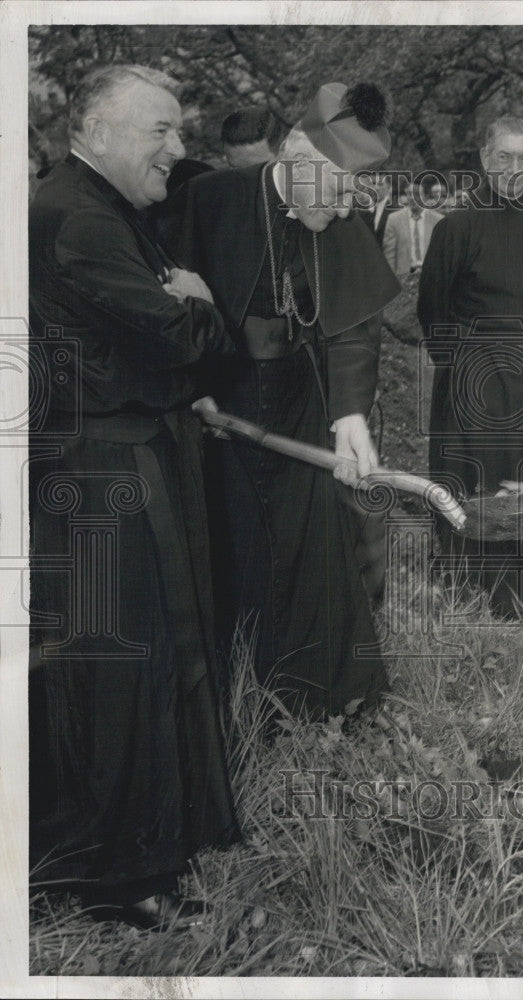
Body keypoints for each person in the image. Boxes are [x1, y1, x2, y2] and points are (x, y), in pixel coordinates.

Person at [28, 65, 239, 930]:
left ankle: (135, 853)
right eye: (162, 129)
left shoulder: (102, 208)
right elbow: (172, 333)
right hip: (99, 477)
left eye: (181, 131)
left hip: (118, 459)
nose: (178, 149)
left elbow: (160, 341)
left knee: (142, 661)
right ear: (99, 129)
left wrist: (181, 327)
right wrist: (200, 306)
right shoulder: (78, 218)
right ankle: (113, 874)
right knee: (121, 671)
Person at [171, 82, 400, 718]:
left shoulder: (337, 212)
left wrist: (350, 411)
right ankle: (243, 699)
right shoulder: (209, 200)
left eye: (352, 191)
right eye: (333, 190)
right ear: (295, 159)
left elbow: (355, 325)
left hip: (303, 396)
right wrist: (197, 388)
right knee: (235, 544)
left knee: (316, 546)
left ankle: (328, 700)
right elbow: (171, 303)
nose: (344, 208)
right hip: (225, 403)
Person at [418, 114, 523, 616]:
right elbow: (433, 311)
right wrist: (463, 368)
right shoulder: (456, 226)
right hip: (474, 381)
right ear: (485, 159)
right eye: (504, 156)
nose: (514, 168)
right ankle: (474, 590)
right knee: (476, 484)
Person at [382, 176, 442, 277]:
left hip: (431, 278)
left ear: (425, 197)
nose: (412, 198)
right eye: (410, 194)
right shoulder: (394, 219)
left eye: (417, 194)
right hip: (403, 279)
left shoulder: (438, 220)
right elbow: (389, 256)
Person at [357, 172, 394, 244]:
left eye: (380, 184)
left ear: (389, 187)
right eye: (373, 183)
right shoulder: (361, 211)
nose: (376, 188)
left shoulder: (395, 211)